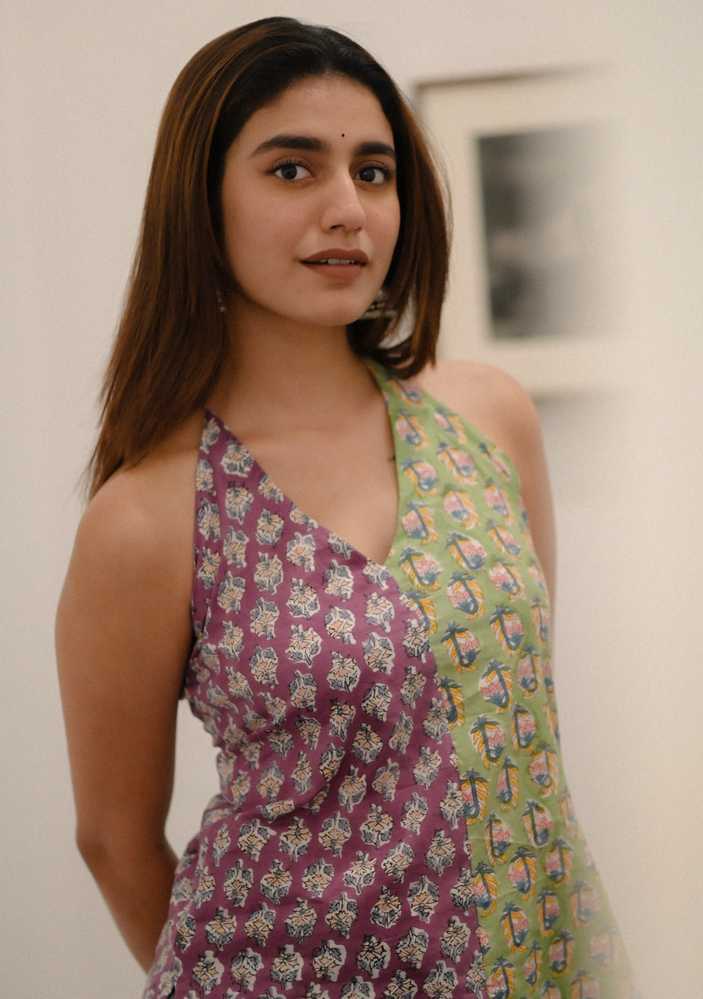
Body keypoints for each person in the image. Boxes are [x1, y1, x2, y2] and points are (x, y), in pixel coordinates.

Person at [55, 16, 636, 998]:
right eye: (292, 170)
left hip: (545, 958)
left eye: (373, 172)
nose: (347, 210)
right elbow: (113, 839)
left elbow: (512, 719)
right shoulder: (149, 515)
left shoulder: (488, 420)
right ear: (200, 202)